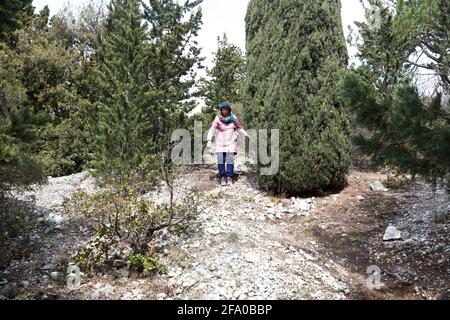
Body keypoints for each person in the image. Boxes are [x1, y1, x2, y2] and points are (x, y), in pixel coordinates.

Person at [206, 101, 250, 186]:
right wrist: (209, 140)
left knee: (229, 159)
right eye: (223, 110)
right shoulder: (217, 118)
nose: (225, 111)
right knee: (220, 159)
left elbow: (239, 127)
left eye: (226, 110)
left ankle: (229, 177)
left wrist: (246, 134)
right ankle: (222, 177)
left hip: (231, 141)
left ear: (229, 110)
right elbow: (212, 129)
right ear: (221, 110)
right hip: (220, 142)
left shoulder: (233, 118)